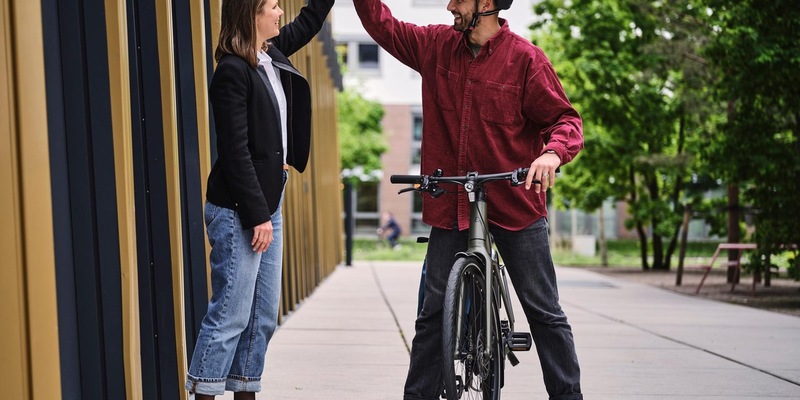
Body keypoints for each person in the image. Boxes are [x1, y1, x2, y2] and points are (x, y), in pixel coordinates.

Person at [352, 0, 584, 399]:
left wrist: (551, 153)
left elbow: (565, 120)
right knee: (432, 315)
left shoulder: (526, 61)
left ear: (487, 4)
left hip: (515, 203)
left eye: (459, 0)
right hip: (453, 203)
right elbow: (381, 24)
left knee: (545, 312)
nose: (449, 6)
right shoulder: (435, 46)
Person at [185, 0, 334, 398]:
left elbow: (310, 19)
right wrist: (258, 216)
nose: (280, 12)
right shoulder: (232, 71)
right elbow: (235, 153)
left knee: (263, 315)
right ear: (250, 14)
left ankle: (246, 389)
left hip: (269, 202)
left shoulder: (270, 53)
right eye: (272, 6)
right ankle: (203, 389)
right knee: (231, 314)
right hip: (240, 209)